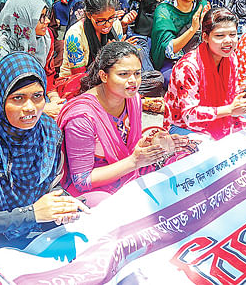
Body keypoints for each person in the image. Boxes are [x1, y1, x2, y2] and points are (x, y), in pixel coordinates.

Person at [0, 52, 89, 272]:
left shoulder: (48, 133)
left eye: (37, 96)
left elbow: (51, 187)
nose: (30, 108)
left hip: (35, 233)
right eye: (18, 98)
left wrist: (63, 205)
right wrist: (31, 213)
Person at [58, 42, 178, 207]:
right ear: (104, 76)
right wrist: (134, 162)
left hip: (127, 169)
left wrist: (153, 141)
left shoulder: (132, 99)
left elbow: (130, 145)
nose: (133, 81)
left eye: (137, 73)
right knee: (113, 207)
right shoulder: (82, 118)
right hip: (96, 187)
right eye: (123, 74)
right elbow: (82, 180)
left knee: (178, 165)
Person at [165, 7, 246, 140]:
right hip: (182, 126)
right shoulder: (188, 67)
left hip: (222, 114)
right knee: (214, 151)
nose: (228, 40)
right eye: (219, 35)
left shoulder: (231, 57)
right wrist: (230, 110)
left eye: (233, 35)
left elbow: (233, 93)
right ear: (205, 37)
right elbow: (189, 115)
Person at [150, 0, 208, 76]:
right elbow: (168, 50)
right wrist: (192, 29)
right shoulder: (164, 10)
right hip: (172, 61)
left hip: (198, 57)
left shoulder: (203, 6)